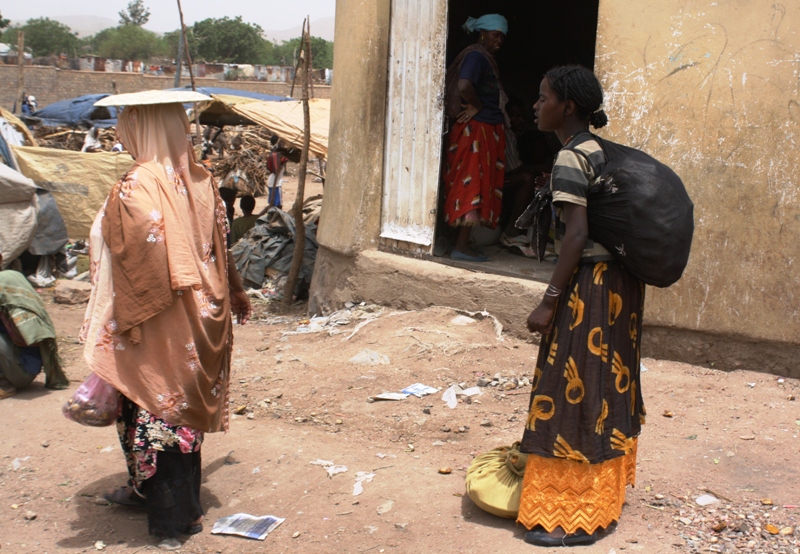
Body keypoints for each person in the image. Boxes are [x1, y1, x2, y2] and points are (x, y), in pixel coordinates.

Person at [80, 100, 252, 550]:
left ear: (139, 126)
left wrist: (124, 319)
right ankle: (157, 497)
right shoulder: (203, 179)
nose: (120, 130)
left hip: (156, 321)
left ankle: (172, 519)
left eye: (125, 123)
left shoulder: (136, 184)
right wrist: (234, 290)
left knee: (154, 411)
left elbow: (140, 257)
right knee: (180, 414)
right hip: (203, 318)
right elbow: (222, 244)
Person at [517, 66, 645, 547]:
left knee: (570, 384)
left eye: (543, 96)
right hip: (621, 286)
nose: (536, 104)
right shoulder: (601, 151)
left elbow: (576, 235)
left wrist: (549, 302)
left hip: (590, 285)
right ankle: (603, 502)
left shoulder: (572, 157)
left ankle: (567, 513)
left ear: (567, 106)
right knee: (607, 382)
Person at [442, 14, 508, 262]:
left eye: (502, 36)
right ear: (482, 33)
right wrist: (477, 106)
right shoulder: (476, 55)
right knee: (473, 184)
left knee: (476, 183)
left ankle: (462, 243)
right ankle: (460, 246)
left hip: (484, 128)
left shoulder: (482, 57)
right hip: (477, 128)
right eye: (495, 35)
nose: (499, 41)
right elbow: (464, 85)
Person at [0, 252, 69, 399]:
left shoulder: (6, 280)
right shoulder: (13, 276)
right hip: (20, 364)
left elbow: (29, 336)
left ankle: (4, 385)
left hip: (21, 369)